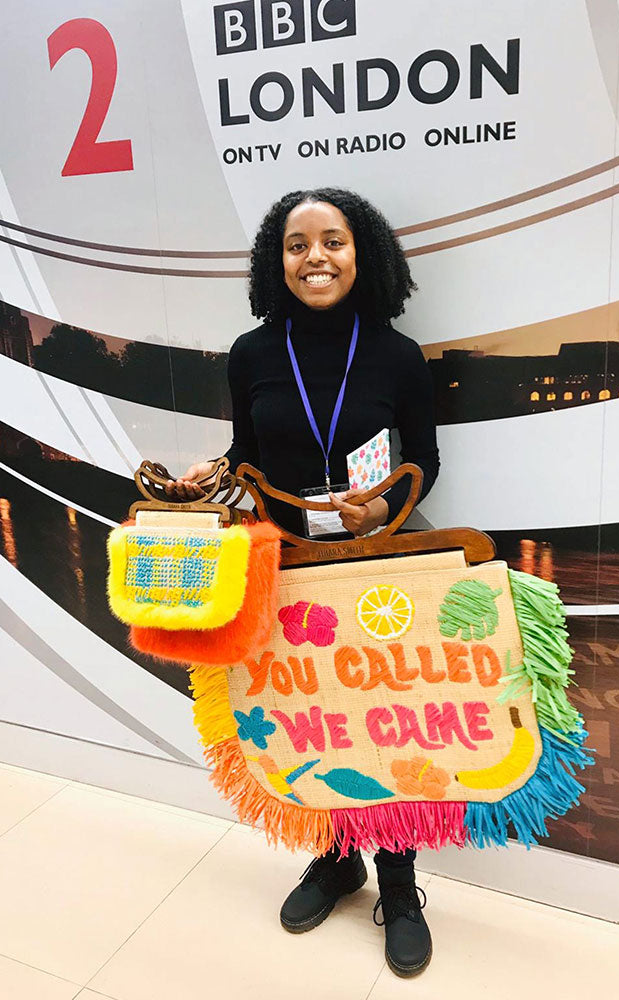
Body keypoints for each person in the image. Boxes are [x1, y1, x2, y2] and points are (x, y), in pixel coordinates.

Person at [166, 188, 440, 977]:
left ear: (366, 253)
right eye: (296, 244)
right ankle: (336, 858)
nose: (314, 257)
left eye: (333, 241)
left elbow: (428, 460)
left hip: (377, 563)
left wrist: (384, 504)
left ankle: (398, 881)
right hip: (285, 562)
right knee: (307, 721)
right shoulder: (251, 353)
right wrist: (210, 475)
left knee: (386, 722)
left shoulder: (397, 354)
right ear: (273, 260)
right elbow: (245, 451)